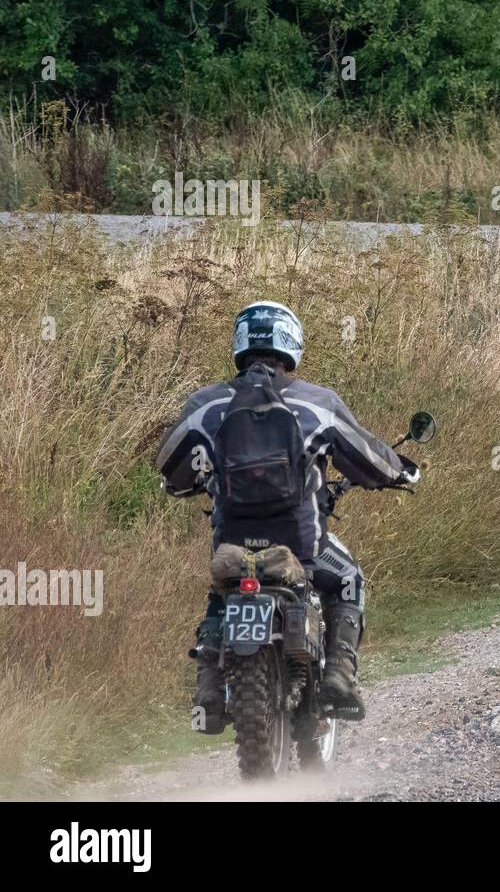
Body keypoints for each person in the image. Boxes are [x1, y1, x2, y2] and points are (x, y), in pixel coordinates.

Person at [154, 301, 414, 732]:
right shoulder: (317, 403)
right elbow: (368, 461)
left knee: (220, 594)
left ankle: (208, 693)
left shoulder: (205, 404)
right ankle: (338, 677)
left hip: (232, 544)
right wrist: (398, 469)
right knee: (348, 579)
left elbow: (169, 467)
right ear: (291, 343)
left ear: (240, 343)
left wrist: (197, 477)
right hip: (304, 548)